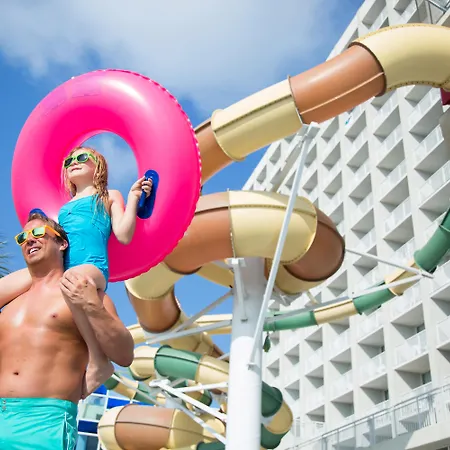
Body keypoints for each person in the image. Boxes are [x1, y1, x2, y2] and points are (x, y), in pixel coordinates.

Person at [0, 146, 151, 397]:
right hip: (63, 267)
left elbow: (124, 235)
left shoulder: (108, 196)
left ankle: (98, 360)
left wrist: (134, 198)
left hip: (92, 265)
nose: (73, 162)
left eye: (81, 158)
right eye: (69, 160)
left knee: (70, 281)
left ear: (98, 166)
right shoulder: (63, 209)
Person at [0, 212, 134, 449]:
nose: (29, 239)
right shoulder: (11, 301)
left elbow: (124, 355)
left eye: (38, 232)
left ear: (62, 243)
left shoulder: (83, 293)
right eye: (23, 237)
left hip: (43, 422)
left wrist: (92, 306)